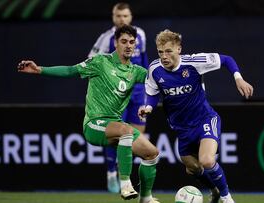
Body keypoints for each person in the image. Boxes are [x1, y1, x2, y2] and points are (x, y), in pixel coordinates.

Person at [18, 25, 160, 203]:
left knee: (151, 153)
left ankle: (145, 198)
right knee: (126, 130)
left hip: (116, 126)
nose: (129, 45)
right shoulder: (99, 62)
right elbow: (70, 70)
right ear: (115, 43)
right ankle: (125, 184)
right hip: (94, 124)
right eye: (124, 41)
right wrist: (40, 69)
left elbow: (158, 81)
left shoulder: (136, 71)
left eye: (132, 42)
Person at [138, 30, 254, 203]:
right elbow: (153, 93)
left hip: (204, 119)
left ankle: (227, 198)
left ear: (179, 49)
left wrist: (238, 78)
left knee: (207, 160)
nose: (164, 56)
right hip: (182, 129)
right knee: (192, 169)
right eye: (160, 52)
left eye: (168, 51)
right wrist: (148, 107)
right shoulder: (155, 69)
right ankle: (214, 190)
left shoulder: (194, 62)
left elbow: (226, 60)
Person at [88, 2, 149, 193]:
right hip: (116, 93)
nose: (122, 19)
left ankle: (127, 176)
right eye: (118, 16)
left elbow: (145, 60)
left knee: (136, 136)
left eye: (125, 16)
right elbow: (91, 62)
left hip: (138, 92)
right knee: (116, 134)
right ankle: (112, 172)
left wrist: (149, 88)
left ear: (130, 17)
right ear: (113, 17)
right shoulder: (107, 38)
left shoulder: (141, 34)